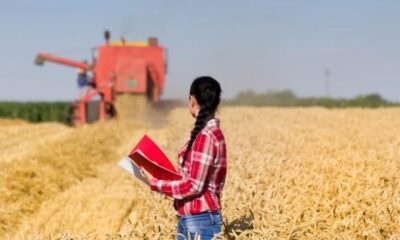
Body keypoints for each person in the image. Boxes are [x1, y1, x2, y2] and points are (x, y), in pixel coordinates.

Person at [140, 76, 227, 240]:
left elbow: (193, 186)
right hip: (195, 220)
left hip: (199, 221)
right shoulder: (209, 133)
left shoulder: (205, 137)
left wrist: (154, 182)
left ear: (192, 100)